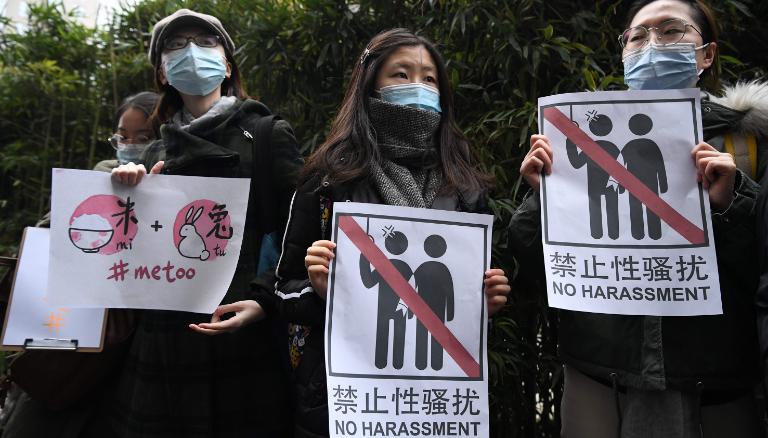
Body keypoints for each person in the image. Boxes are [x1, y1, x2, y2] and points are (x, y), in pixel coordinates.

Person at [509, 1, 768, 437]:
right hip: (599, 374)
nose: (652, 45)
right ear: (623, 54)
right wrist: (543, 200)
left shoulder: (751, 142)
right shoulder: (578, 139)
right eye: (638, 36)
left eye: (671, 31)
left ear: (706, 54)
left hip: (715, 383)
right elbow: (535, 275)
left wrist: (732, 205)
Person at [271, 28, 511, 438]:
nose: (417, 86)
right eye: (401, 75)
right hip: (344, 399)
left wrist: (487, 299)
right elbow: (282, 290)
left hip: (436, 399)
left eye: (429, 78)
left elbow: (469, 300)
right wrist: (319, 290)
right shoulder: (328, 180)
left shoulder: (466, 185)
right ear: (370, 85)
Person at [108, 9, 302, 437]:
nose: (191, 53)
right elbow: (122, 256)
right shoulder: (151, 152)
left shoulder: (267, 134)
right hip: (163, 341)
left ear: (227, 63)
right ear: (162, 72)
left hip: (242, 329)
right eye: (176, 46)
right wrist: (127, 200)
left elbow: (301, 230)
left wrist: (264, 299)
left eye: (205, 41)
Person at [0, 92, 159, 438]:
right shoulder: (99, 179)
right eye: (123, 136)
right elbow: (46, 237)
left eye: (144, 137)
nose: (130, 145)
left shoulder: (176, 190)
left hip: (136, 358)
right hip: (73, 339)